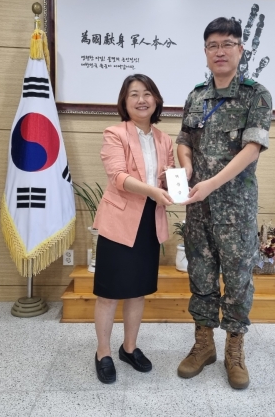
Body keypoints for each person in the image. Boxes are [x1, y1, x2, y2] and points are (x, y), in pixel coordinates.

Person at [175, 17, 272, 389]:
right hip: (197, 208)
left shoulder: (255, 95)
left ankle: (234, 349)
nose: (220, 51)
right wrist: (186, 167)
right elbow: (184, 140)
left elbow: (252, 148)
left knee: (237, 281)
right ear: (205, 51)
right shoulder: (196, 96)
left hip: (235, 209)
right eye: (213, 45)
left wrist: (211, 184)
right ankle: (203, 345)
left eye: (227, 44)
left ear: (240, 50)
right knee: (200, 275)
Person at [91, 74, 175, 384]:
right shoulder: (115, 133)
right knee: (109, 293)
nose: (142, 100)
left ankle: (129, 348)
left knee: (137, 291)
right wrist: (153, 190)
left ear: (156, 99)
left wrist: (172, 182)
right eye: (134, 94)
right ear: (124, 103)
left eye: (147, 93)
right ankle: (103, 352)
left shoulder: (165, 139)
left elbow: (167, 176)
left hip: (149, 222)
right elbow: (117, 177)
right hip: (119, 222)